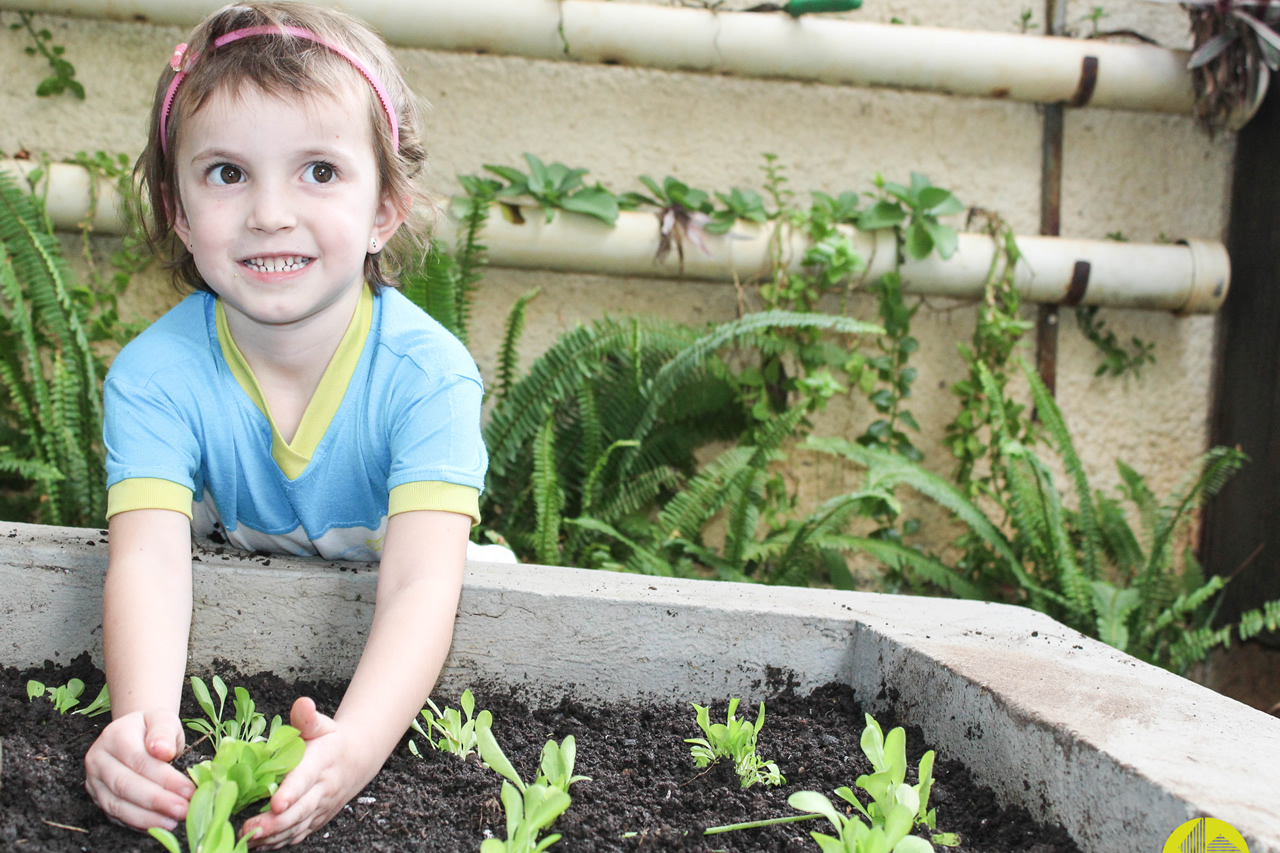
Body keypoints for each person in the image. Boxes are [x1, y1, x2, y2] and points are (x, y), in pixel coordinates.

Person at [83, 2, 488, 847]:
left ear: (387, 207)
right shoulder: (154, 376)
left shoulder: (427, 376)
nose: (270, 212)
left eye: (319, 171)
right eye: (228, 173)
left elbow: (420, 586)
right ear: (179, 209)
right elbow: (152, 562)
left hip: (404, 615)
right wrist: (144, 730)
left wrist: (358, 749)